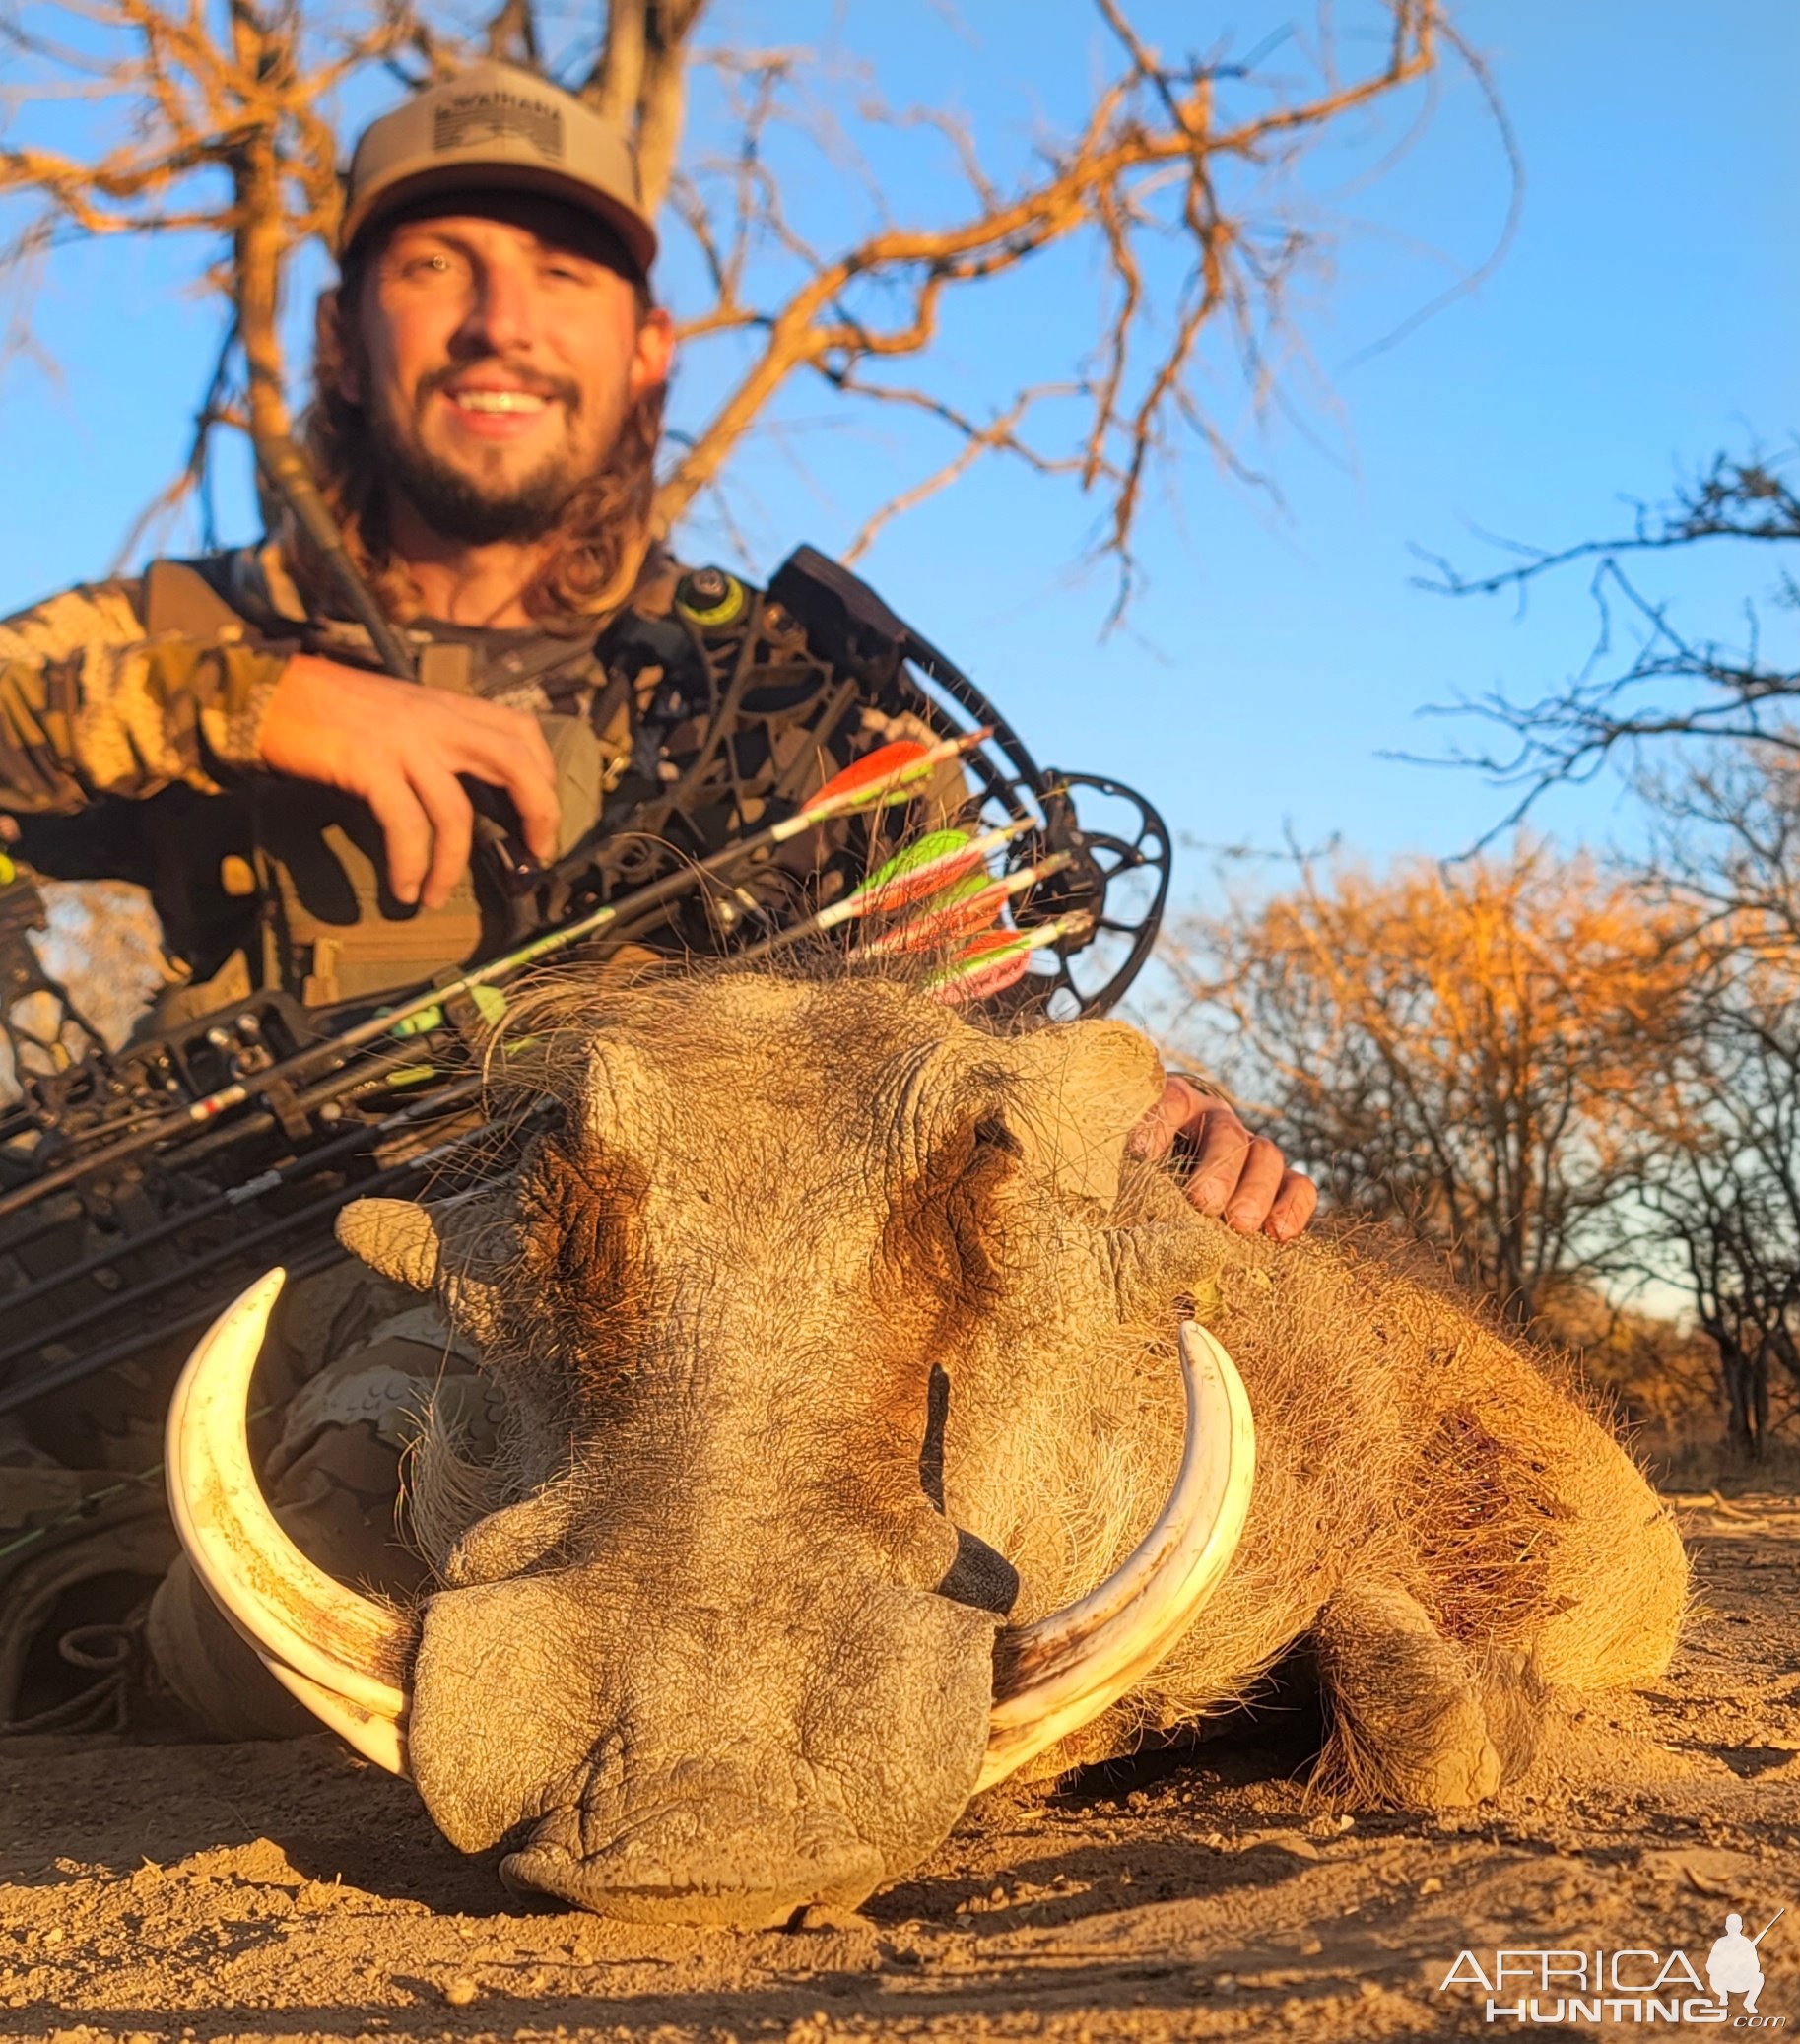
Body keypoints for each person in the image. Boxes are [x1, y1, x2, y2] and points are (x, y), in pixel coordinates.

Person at [0, 62, 1315, 1735]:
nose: (497, 322)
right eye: (433, 266)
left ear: (644, 350)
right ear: (342, 336)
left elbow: (984, 1028)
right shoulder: (183, 629)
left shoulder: (805, 706)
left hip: (634, 1337)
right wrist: (242, 707)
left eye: (561, 272)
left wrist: (1139, 1118)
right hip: (181, 1299)